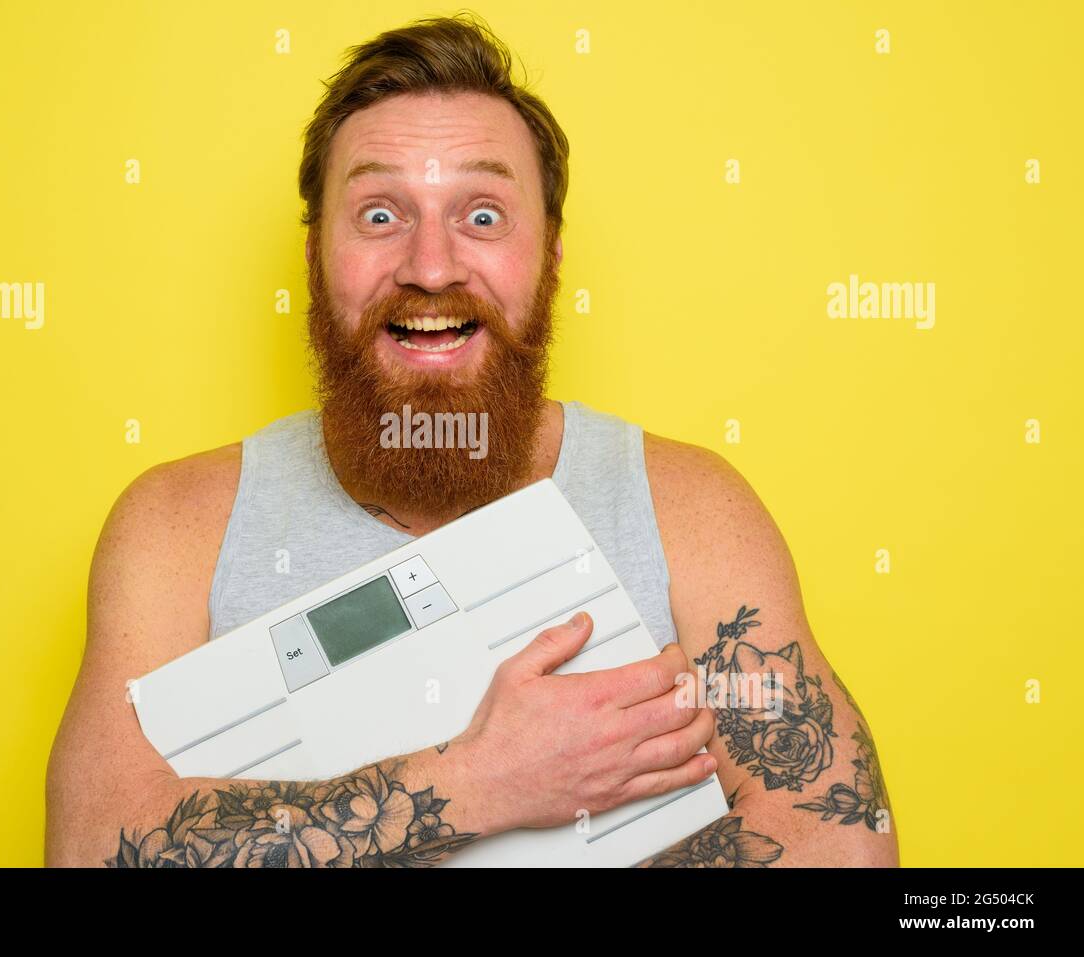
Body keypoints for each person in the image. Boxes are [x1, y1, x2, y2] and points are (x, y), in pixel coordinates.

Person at [45, 13, 898, 868]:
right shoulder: (176, 529)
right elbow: (88, 852)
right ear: (313, 256)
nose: (431, 265)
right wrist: (481, 780)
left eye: (482, 216)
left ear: (551, 257)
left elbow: (839, 837)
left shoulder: (691, 509)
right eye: (380, 213)